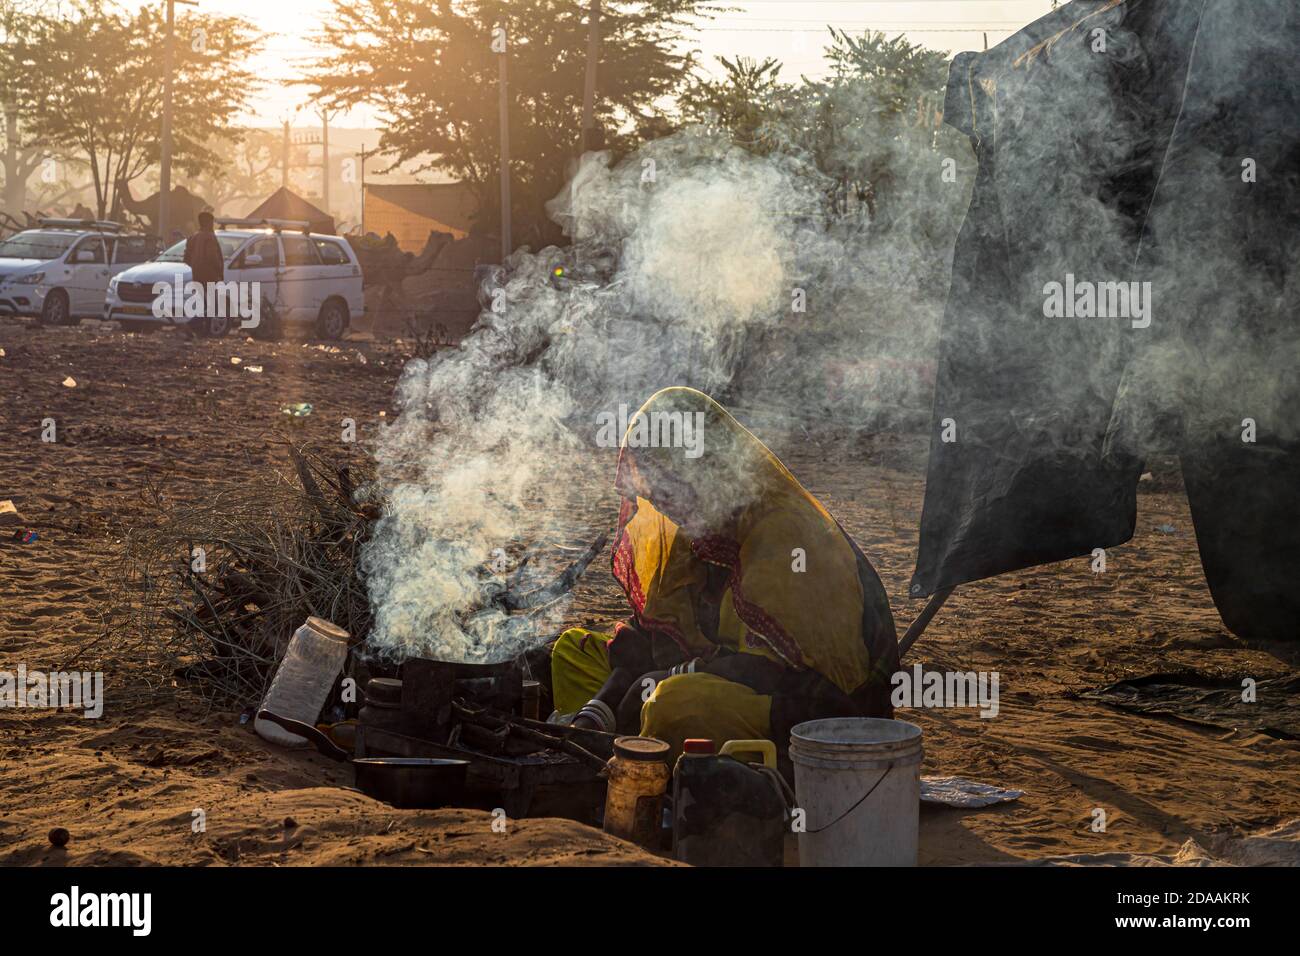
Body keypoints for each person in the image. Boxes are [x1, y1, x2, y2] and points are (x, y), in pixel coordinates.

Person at [550, 386, 900, 765]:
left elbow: (783, 676)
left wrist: (670, 675)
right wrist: (597, 709)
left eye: (668, 482)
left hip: (814, 714)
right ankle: (608, 753)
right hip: (717, 675)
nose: (661, 501)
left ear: (703, 468)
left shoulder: (784, 533)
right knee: (573, 652)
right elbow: (652, 635)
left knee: (672, 705)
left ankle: (676, 776)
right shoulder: (698, 528)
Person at [182, 211, 223, 331]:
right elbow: (212, 257)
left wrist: (195, 267)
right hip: (210, 275)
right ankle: (198, 327)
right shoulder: (210, 237)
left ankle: (196, 327)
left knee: (201, 302)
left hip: (196, 275)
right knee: (210, 304)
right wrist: (219, 271)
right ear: (209, 223)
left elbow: (186, 258)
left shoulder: (193, 237)